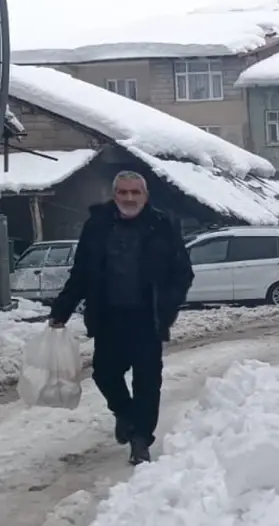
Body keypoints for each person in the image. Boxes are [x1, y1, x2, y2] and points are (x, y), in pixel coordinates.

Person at [48, 171, 195, 465]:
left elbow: (182, 273)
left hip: (147, 319)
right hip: (109, 316)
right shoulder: (97, 226)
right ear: (115, 195)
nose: (129, 198)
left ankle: (140, 440)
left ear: (145, 196)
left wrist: (166, 306)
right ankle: (124, 413)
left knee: (147, 381)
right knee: (104, 373)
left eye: (135, 193)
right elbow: (81, 273)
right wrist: (61, 310)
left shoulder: (162, 225)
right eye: (123, 192)